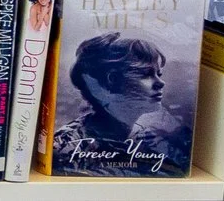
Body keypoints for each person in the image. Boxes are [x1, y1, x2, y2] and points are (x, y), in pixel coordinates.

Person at [47, 32, 187, 176]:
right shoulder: (67, 145)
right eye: (146, 74)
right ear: (112, 80)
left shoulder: (154, 138)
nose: (160, 83)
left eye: (159, 74)